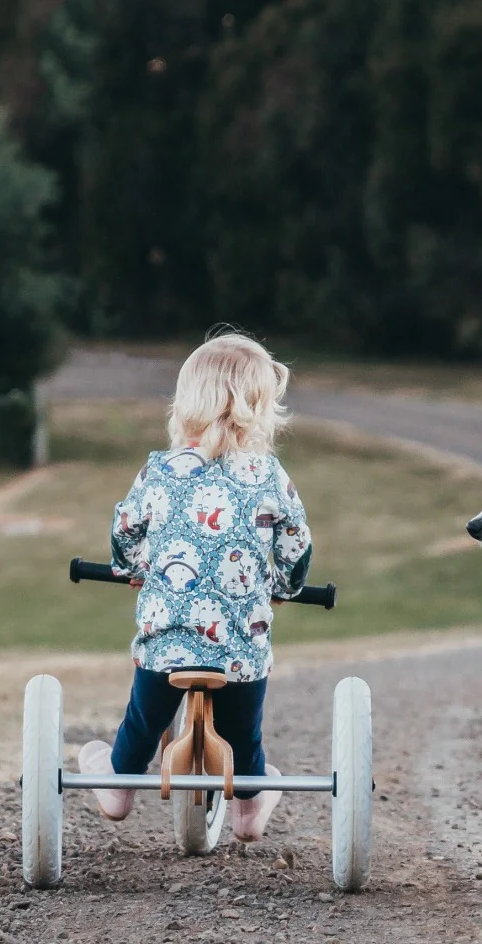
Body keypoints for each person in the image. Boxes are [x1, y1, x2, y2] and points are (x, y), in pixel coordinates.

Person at [78, 331, 311, 841]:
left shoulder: (159, 470)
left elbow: (125, 530)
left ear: (184, 404)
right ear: (261, 409)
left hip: (167, 644)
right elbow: (296, 543)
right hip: (239, 648)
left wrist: (132, 566)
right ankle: (250, 804)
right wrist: (285, 586)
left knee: (140, 728)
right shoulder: (268, 475)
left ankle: (118, 786)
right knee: (245, 740)